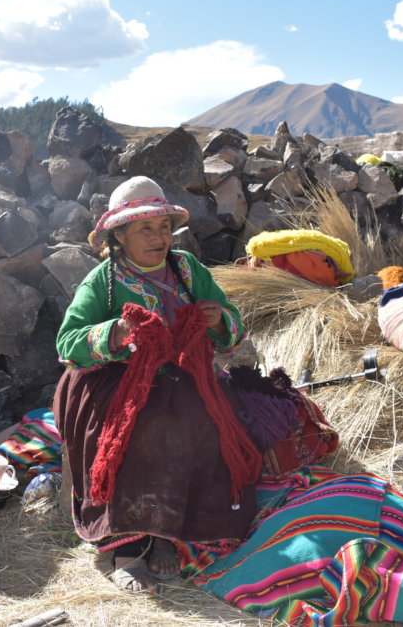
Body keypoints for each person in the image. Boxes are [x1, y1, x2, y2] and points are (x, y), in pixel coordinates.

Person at [53, 176, 261, 593]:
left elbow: (233, 332)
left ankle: (168, 531)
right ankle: (129, 544)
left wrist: (218, 319)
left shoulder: (187, 269)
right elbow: (67, 343)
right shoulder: (104, 279)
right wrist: (116, 333)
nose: (159, 237)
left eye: (164, 227)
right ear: (120, 235)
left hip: (180, 373)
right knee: (138, 423)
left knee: (206, 417)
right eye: (145, 228)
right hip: (113, 380)